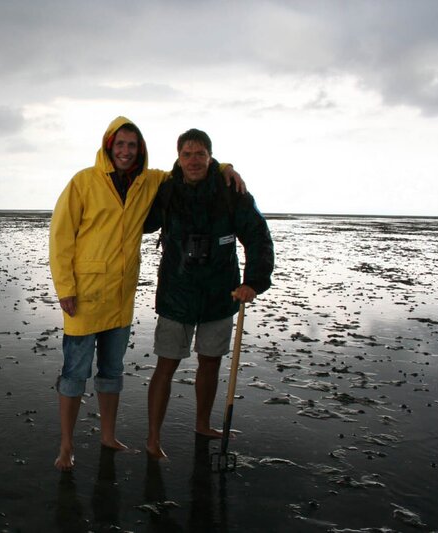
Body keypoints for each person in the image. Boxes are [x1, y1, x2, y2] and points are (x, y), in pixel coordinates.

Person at [49, 117, 244, 471]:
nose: (126, 151)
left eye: (132, 145)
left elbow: (189, 169)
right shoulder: (83, 181)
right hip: (84, 295)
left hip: (120, 296)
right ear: (109, 146)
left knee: (112, 371)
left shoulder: (149, 181)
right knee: (74, 373)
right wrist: (65, 288)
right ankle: (66, 446)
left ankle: (108, 437)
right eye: (120, 144)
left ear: (140, 150)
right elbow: (60, 237)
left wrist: (224, 167)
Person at [143, 128, 274, 459]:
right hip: (176, 292)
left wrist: (254, 282)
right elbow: (138, 222)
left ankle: (202, 424)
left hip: (220, 292)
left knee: (211, 362)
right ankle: (153, 437)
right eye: (187, 154)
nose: (193, 161)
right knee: (166, 364)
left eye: (200, 154)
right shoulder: (166, 191)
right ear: (178, 158)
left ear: (210, 157)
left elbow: (257, 235)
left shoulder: (231, 190)